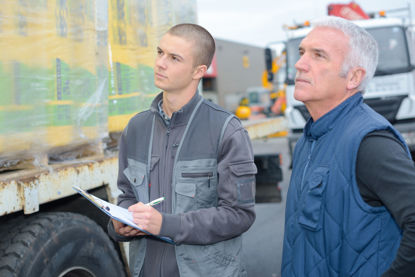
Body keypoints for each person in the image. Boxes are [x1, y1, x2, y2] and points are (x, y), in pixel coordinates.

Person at [107, 23, 257, 277]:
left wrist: (166, 225)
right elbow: (127, 195)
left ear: (199, 71)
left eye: (174, 58)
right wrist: (119, 224)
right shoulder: (136, 128)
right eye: (160, 52)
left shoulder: (225, 130)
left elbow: (239, 214)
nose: (160, 63)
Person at [281, 16, 415, 277]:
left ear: (354, 77)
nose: (299, 64)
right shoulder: (309, 140)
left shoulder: (370, 143)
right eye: (302, 52)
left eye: (318, 55)